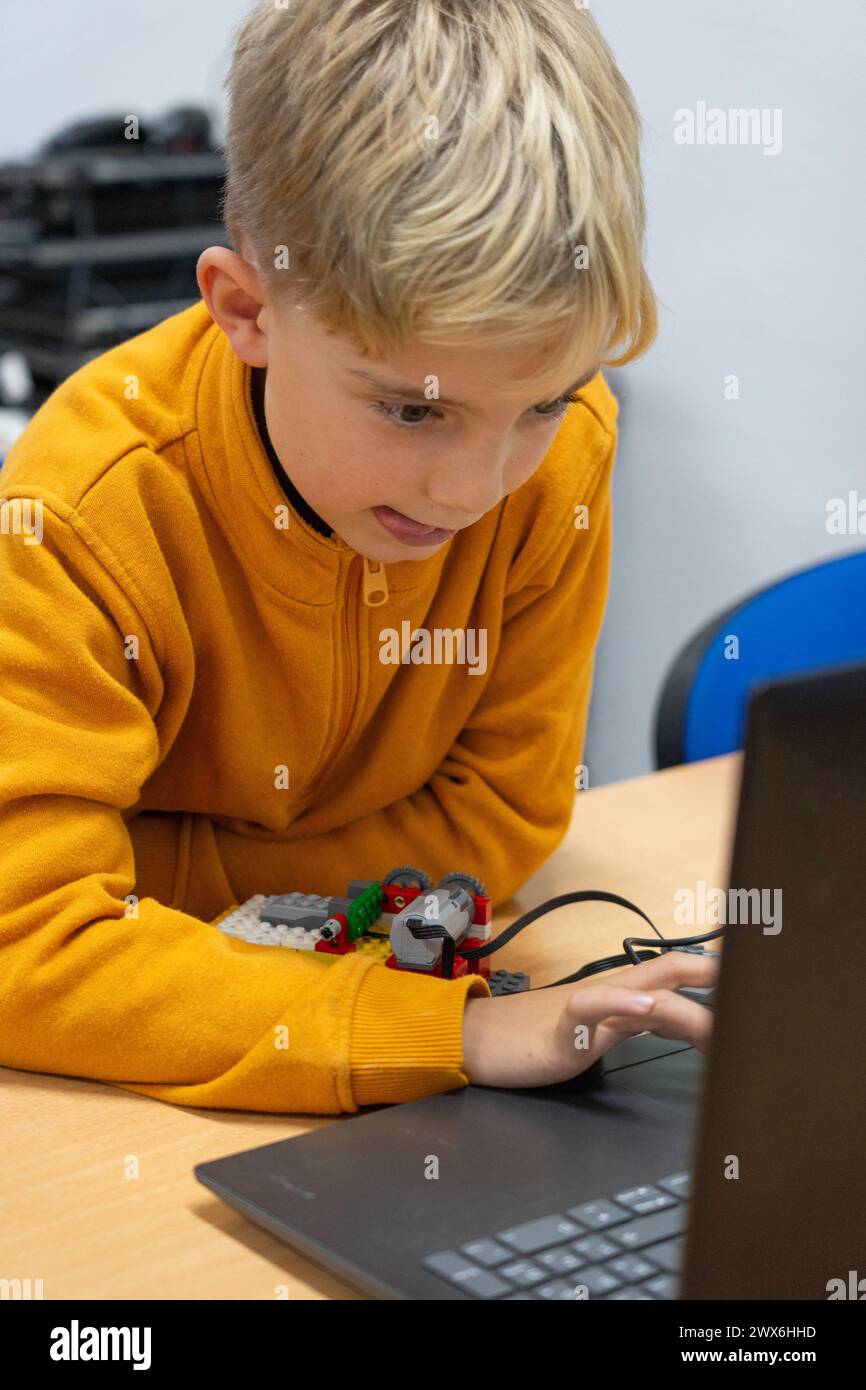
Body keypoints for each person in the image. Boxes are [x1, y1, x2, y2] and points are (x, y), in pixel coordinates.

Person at [0, 0, 716, 1115]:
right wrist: (446, 1030)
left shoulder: (561, 458)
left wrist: (150, 878)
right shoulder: (82, 514)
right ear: (245, 308)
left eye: (539, 402)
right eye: (411, 414)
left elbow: (505, 813)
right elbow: (26, 945)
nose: (473, 492)